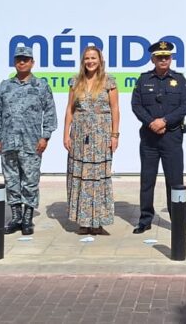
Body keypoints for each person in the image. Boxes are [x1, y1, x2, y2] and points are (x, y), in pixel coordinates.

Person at [0, 45, 56, 236]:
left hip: (31, 143)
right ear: (14, 62)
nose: (22, 62)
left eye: (25, 59)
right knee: (11, 181)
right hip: (8, 142)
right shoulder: (4, 86)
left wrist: (45, 137)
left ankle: (27, 219)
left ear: (32, 62)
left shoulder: (41, 86)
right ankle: (16, 217)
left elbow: (50, 114)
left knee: (30, 181)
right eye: (19, 59)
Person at [130, 40, 186, 234]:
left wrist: (164, 121)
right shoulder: (144, 79)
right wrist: (151, 123)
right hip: (149, 138)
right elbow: (136, 105)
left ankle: (177, 220)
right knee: (147, 180)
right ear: (153, 59)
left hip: (172, 137)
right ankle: (145, 219)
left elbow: (184, 106)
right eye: (159, 57)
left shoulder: (179, 79)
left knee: (175, 181)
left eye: (167, 56)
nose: (163, 60)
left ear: (171, 58)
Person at [64, 46, 119, 235]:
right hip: (79, 136)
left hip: (101, 136)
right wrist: (66, 134)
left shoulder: (109, 82)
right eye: (87, 58)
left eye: (93, 58)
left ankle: (98, 221)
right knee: (79, 176)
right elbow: (70, 109)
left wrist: (115, 135)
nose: (90, 61)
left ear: (100, 60)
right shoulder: (75, 81)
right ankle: (83, 221)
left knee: (98, 178)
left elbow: (115, 110)